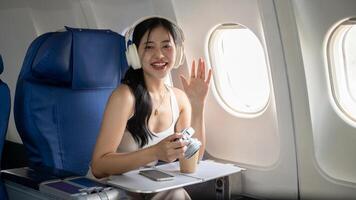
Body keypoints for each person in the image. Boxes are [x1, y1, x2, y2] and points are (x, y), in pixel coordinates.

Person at [88, 16, 212, 199]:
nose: (159, 55)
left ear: (177, 53)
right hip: (109, 191)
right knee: (175, 194)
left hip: (145, 188)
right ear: (134, 54)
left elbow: (193, 157)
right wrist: (154, 152)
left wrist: (197, 103)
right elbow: (99, 166)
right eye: (149, 46)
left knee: (175, 193)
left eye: (166, 46)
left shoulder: (179, 99)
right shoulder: (124, 97)